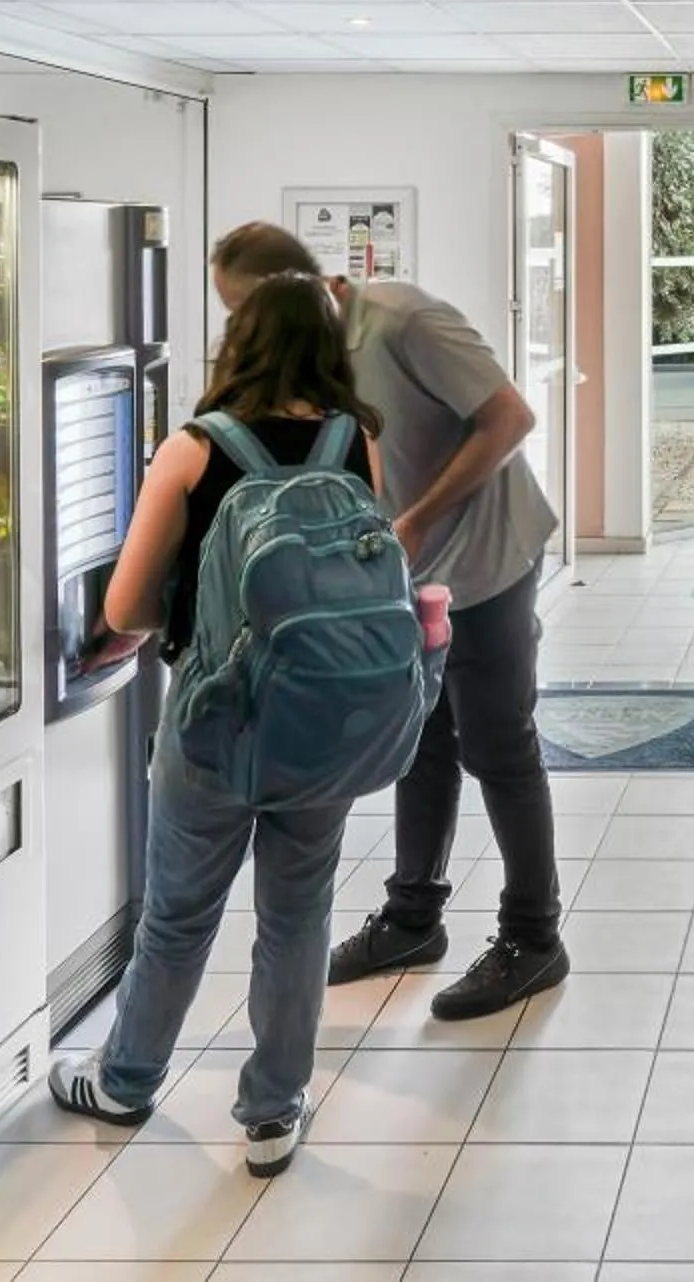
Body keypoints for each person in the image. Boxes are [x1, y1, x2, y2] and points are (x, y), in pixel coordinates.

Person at [46, 273, 384, 1176]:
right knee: (298, 918)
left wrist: (199, 613)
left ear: (240, 342)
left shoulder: (195, 451)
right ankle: (274, 1112)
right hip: (322, 719)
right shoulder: (356, 441)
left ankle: (125, 1081)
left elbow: (124, 607)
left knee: (178, 917)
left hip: (214, 725)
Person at [210, 224, 568, 1020]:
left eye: (240, 309)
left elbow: (510, 418)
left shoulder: (403, 319)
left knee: (497, 743)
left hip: (487, 557)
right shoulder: (310, 355)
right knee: (419, 740)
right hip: (405, 567)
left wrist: (418, 520)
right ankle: (413, 920)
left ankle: (534, 938)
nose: (238, 328)